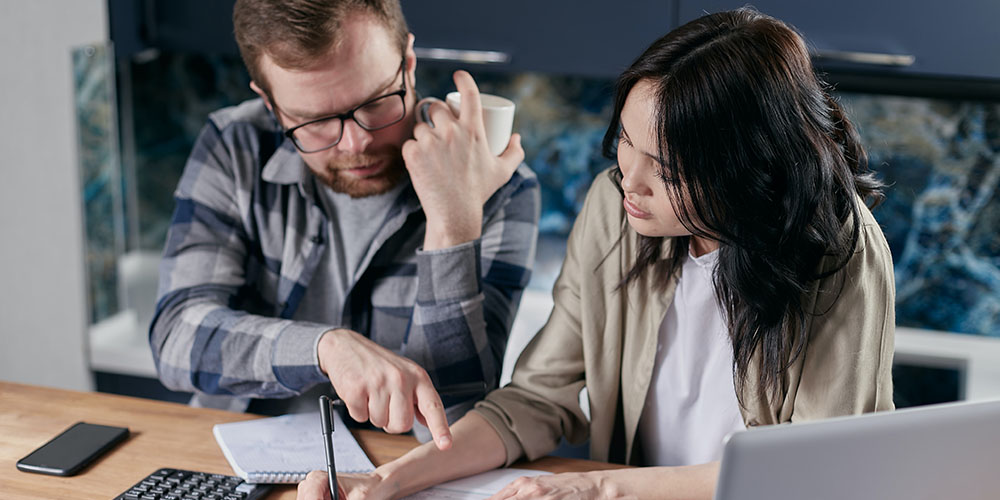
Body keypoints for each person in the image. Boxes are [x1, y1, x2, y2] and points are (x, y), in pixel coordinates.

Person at [296, 7, 896, 500]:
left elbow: (814, 472)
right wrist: (389, 481)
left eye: (664, 168)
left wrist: (599, 489)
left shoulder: (840, 251)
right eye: (626, 145)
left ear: (746, 170)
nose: (628, 180)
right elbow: (535, 399)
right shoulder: (614, 208)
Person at [149, 0, 539, 450]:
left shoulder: (499, 184)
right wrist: (325, 349)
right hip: (236, 458)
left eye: (375, 103)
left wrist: (452, 225)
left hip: (402, 476)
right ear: (270, 104)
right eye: (313, 121)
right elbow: (176, 337)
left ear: (408, 65)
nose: (357, 143)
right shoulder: (235, 144)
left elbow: (456, 423)